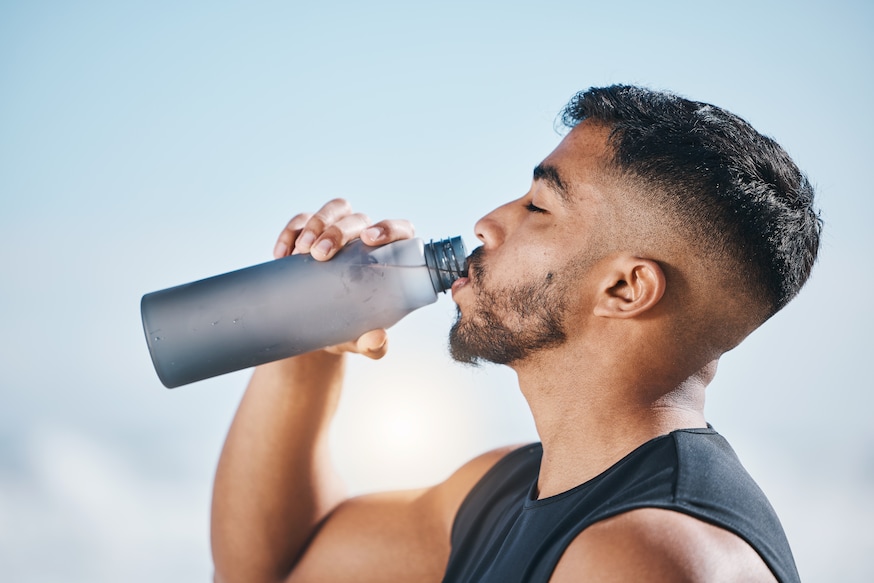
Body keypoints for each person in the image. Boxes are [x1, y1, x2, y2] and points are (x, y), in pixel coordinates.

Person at [210, 85, 820, 583]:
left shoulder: (648, 557)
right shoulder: (505, 490)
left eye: (539, 206)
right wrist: (309, 340)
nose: (487, 222)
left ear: (625, 290)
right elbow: (272, 569)